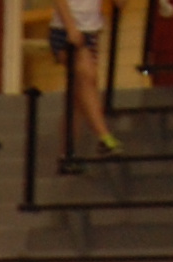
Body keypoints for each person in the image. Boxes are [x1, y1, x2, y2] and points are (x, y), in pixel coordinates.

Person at [49, 0, 122, 158]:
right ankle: (104, 136)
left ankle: (66, 151)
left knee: (77, 96)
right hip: (65, 29)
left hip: (91, 30)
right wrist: (71, 28)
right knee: (88, 78)